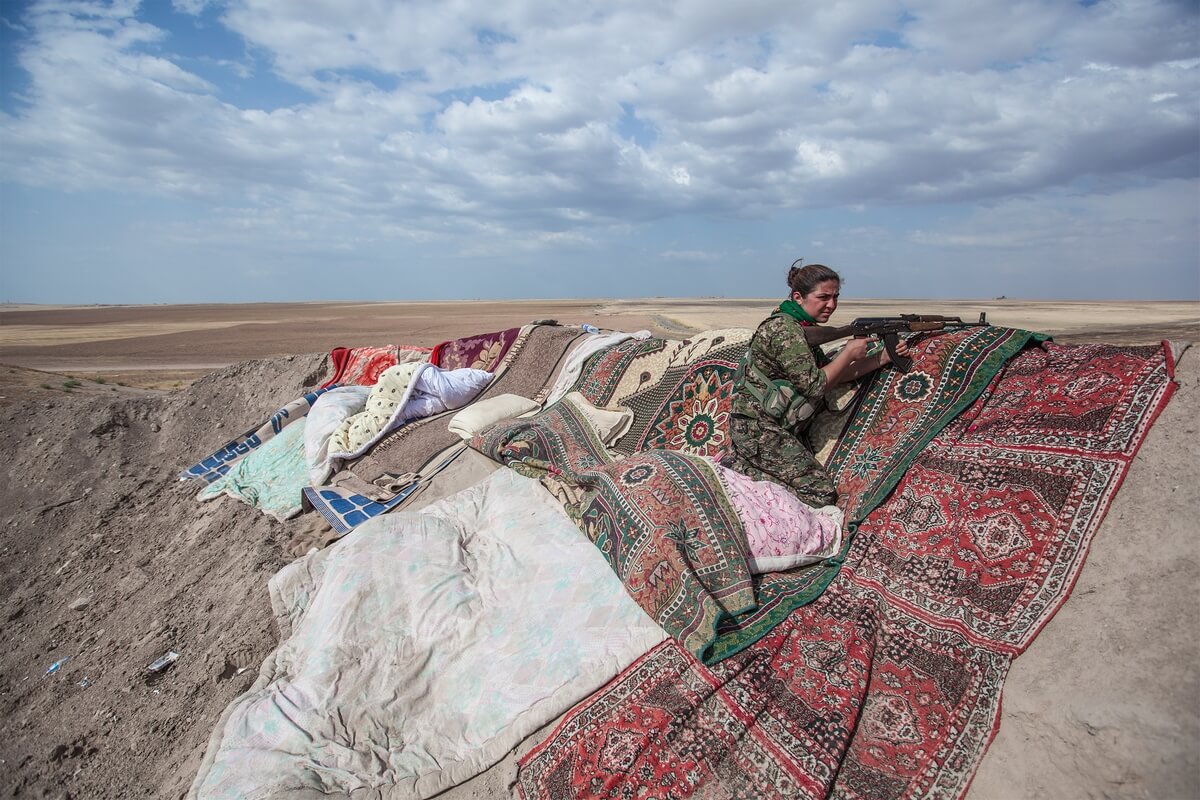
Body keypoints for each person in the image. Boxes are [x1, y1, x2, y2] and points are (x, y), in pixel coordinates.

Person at [728, 260, 908, 506]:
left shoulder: (801, 329)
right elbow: (814, 385)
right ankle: (740, 477)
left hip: (772, 429)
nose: (831, 305)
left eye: (835, 297)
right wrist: (846, 353)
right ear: (798, 297)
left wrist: (883, 357)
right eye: (823, 297)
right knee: (820, 493)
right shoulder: (784, 331)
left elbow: (837, 374)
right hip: (759, 431)